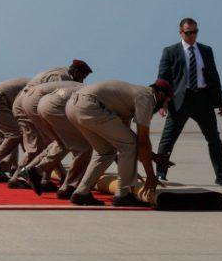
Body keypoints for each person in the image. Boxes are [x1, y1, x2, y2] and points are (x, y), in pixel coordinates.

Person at [155, 18, 222, 187]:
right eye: (188, 33)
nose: (192, 36)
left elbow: (213, 76)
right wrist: (161, 103)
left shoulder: (206, 50)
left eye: (195, 32)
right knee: (168, 140)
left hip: (202, 100)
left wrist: (220, 100)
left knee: (214, 139)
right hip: (179, 102)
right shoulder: (170, 51)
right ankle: (160, 174)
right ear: (181, 33)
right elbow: (163, 79)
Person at [66, 79, 172, 207]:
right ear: (160, 95)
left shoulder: (129, 97)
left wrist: (153, 157)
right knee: (129, 145)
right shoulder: (147, 98)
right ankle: (123, 194)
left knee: (106, 151)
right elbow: (141, 141)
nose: (165, 106)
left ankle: (81, 193)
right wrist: (150, 176)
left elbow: (124, 136)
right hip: (89, 106)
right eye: (167, 101)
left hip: (72, 106)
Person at [8, 61, 93, 188]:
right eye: (83, 76)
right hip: (30, 104)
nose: (82, 80)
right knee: (40, 146)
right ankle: (19, 176)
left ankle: (44, 178)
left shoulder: (61, 72)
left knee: (54, 142)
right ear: (76, 72)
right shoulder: (61, 77)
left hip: (29, 102)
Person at [21, 82, 89, 199]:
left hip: (40, 104)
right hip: (52, 106)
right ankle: (69, 187)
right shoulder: (97, 97)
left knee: (61, 143)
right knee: (84, 148)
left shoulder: (83, 88)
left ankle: (35, 171)